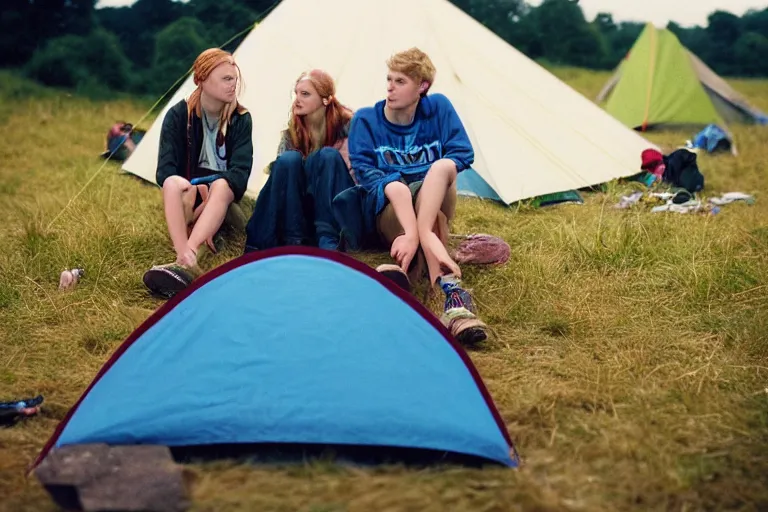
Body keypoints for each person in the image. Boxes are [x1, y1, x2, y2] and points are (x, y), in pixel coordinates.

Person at [347, 47, 488, 345]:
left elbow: (462, 152)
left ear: (422, 87)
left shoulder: (437, 108)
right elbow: (367, 175)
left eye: (400, 81)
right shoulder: (366, 120)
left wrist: (417, 231)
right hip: (392, 209)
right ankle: (453, 299)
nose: (390, 87)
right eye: (389, 79)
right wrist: (414, 226)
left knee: (441, 168)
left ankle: (402, 281)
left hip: (433, 196)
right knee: (432, 217)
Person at [142, 48, 253, 299]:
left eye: (234, 78)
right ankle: (186, 258)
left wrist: (210, 186)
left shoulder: (240, 119)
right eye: (226, 79)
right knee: (175, 185)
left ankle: (184, 263)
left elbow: (240, 176)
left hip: (225, 203)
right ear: (201, 79)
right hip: (191, 200)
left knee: (222, 187)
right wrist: (194, 188)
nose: (233, 84)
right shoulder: (179, 115)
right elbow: (165, 171)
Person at [244, 69, 355, 252]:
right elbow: (280, 184)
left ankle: (330, 240)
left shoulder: (348, 126)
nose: (297, 99)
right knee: (289, 159)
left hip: (334, 210)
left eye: (305, 94)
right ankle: (291, 240)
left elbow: (355, 177)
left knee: (327, 156)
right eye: (296, 93)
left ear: (325, 99)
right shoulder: (291, 134)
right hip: (298, 216)